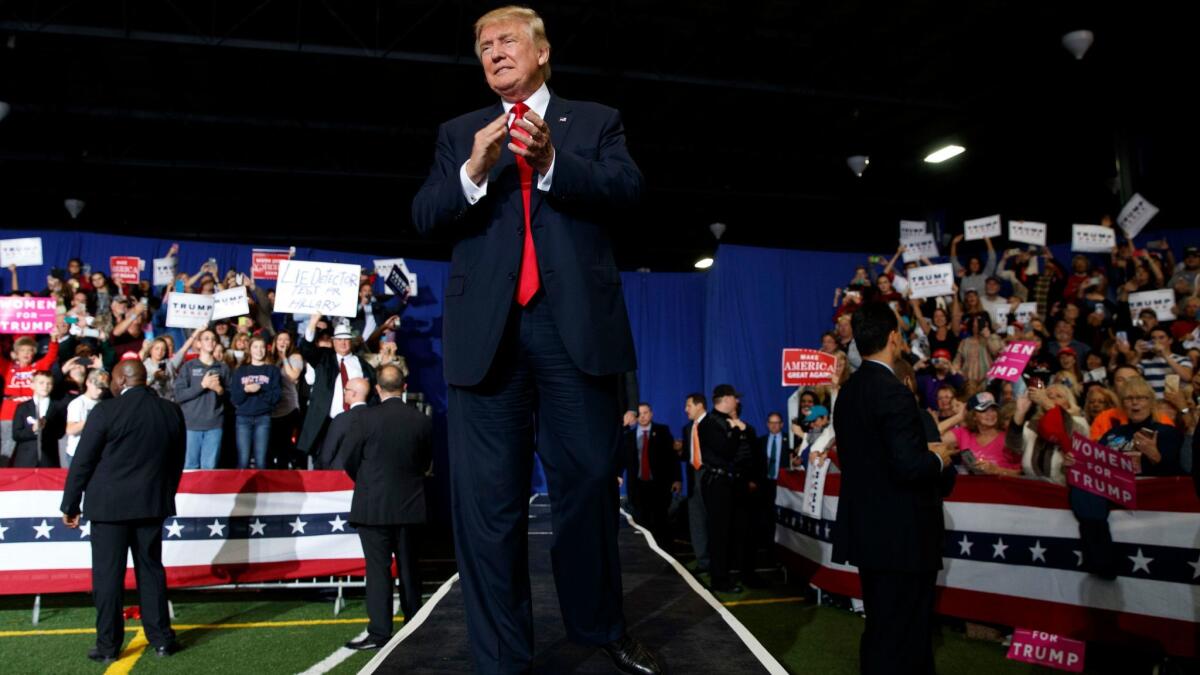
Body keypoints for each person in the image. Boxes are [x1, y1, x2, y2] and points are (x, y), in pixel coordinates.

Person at [410, 6, 654, 673]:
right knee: (488, 507)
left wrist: (553, 163)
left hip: (573, 330)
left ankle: (599, 626)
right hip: (486, 337)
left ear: (542, 51)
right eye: (482, 46)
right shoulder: (459, 132)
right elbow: (426, 213)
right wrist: (474, 169)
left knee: (588, 488)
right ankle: (500, 657)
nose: (493, 52)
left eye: (506, 40)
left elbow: (628, 189)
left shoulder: (595, 122)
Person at [832, 303, 958, 675]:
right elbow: (907, 467)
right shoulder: (894, 393)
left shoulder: (849, 392)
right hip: (903, 537)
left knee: (881, 629)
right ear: (893, 337)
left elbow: (872, 457)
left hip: (869, 534)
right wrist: (939, 458)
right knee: (906, 632)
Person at [59, 360, 186, 664]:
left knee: (107, 577)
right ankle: (162, 640)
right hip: (151, 505)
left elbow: (82, 462)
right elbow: (176, 462)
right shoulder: (170, 411)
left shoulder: (105, 410)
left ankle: (107, 646)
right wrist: (164, 496)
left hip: (108, 508)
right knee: (151, 571)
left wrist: (70, 505)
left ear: (120, 379)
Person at [342, 365, 432, 650]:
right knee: (409, 568)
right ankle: (415, 626)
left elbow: (349, 458)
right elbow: (425, 461)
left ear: (378, 389)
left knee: (378, 570)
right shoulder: (420, 420)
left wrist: (368, 481)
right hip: (409, 504)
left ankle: (380, 633)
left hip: (373, 506)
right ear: (403, 387)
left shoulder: (365, 419)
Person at [298, 319, 376, 467]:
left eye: (346, 339)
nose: (343, 343)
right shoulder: (324, 357)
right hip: (325, 421)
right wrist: (313, 323)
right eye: (339, 339)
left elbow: (372, 391)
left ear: (351, 341)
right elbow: (307, 349)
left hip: (353, 422)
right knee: (322, 463)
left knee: (350, 461)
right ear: (333, 342)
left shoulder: (362, 364)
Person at [622, 402, 680, 546]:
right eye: (639, 414)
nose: (642, 417)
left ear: (651, 414)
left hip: (659, 485)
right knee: (642, 521)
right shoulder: (629, 436)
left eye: (645, 413)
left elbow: (672, 457)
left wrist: (677, 479)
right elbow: (623, 459)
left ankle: (666, 552)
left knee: (661, 521)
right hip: (638, 486)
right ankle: (645, 552)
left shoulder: (662, 431)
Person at [173, 328, 229, 469]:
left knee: (209, 468)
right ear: (198, 344)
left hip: (214, 425)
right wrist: (202, 385)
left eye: (213, 339)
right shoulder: (188, 367)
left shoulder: (223, 368)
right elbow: (179, 395)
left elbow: (232, 398)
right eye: (206, 338)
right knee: (190, 467)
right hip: (191, 425)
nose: (210, 341)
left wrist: (220, 390)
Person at [230, 336, 282, 470]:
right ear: (250, 350)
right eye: (255, 347)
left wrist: (260, 389)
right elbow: (235, 399)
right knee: (243, 460)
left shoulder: (272, 371)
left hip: (263, 419)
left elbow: (276, 397)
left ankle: (262, 490)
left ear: (266, 349)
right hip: (243, 418)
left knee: (261, 461)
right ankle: (241, 490)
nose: (259, 350)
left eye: (262, 347)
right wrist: (245, 390)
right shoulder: (240, 371)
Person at [10, 370, 66, 467]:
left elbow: (60, 433)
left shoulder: (58, 407)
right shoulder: (23, 407)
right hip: (26, 459)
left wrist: (46, 427)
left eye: (49, 383)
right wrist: (33, 430)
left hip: (48, 458)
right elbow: (16, 434)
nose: (45, 386)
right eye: (41, 383)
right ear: (32, 385)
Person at [682, 392, 710, 574]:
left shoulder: (713, 424)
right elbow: (688, 455)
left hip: (711, 477)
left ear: (699, 405)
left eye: (688, 406)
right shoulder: (687, 428)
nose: (686, 410)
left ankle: (719, 562)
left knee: (713, 522)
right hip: (694, 478)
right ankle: (703, 561)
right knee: (697, 522)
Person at [319, 377, 371, 470]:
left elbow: (327, 454)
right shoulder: (376, 417)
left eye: (346, 389)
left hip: (342, 476)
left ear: (354, 393)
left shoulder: (342, 418)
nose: (344, 392)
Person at [64, 370, 111, 466]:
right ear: (88, 382)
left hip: (95, 452)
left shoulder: (102, 403)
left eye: (102, 388)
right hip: (77, 453)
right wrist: (91, 419)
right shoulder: (78, 403)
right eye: (97, 386)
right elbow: (71, 430)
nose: (100, 390)